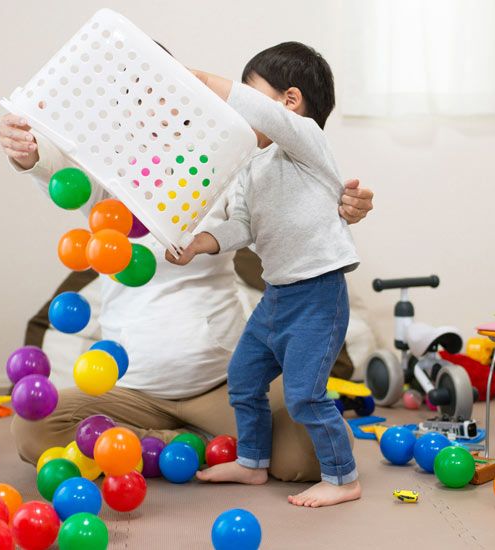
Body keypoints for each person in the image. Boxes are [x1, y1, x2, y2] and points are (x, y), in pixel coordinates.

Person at [0, 65, 374, 484]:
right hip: (130, 390)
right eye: (135, 99)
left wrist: (343, 203)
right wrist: (28, 153)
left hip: (221, 384)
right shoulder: (106, 178)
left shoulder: (227, 163)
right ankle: (180, 442)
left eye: (162, 95)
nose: (152, 111)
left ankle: (174, 445)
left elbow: (291, 196)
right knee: (31, 429)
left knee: (304, 457)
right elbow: (57, 171)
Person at [168, 42, 360, 508]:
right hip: (276, 296)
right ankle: (252, 462)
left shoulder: (308, 144)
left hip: (318, 295)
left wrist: (197, 78)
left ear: (289, 101)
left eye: (251, 97)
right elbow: (244, 227)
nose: (241, 116)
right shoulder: (253, 165)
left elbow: (261, 113)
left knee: (304, 396)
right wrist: (201, 243)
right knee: (244, 377)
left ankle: (343, 479)